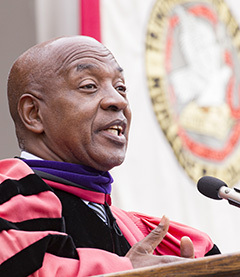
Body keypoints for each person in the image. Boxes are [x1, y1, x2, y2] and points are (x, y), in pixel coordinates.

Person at [0, 35, 220, 276]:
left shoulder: (158, 239)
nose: (118, 101)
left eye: (121, 87)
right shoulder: (9, 195)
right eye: (88, 86)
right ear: (33, 113)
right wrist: (126, 270)